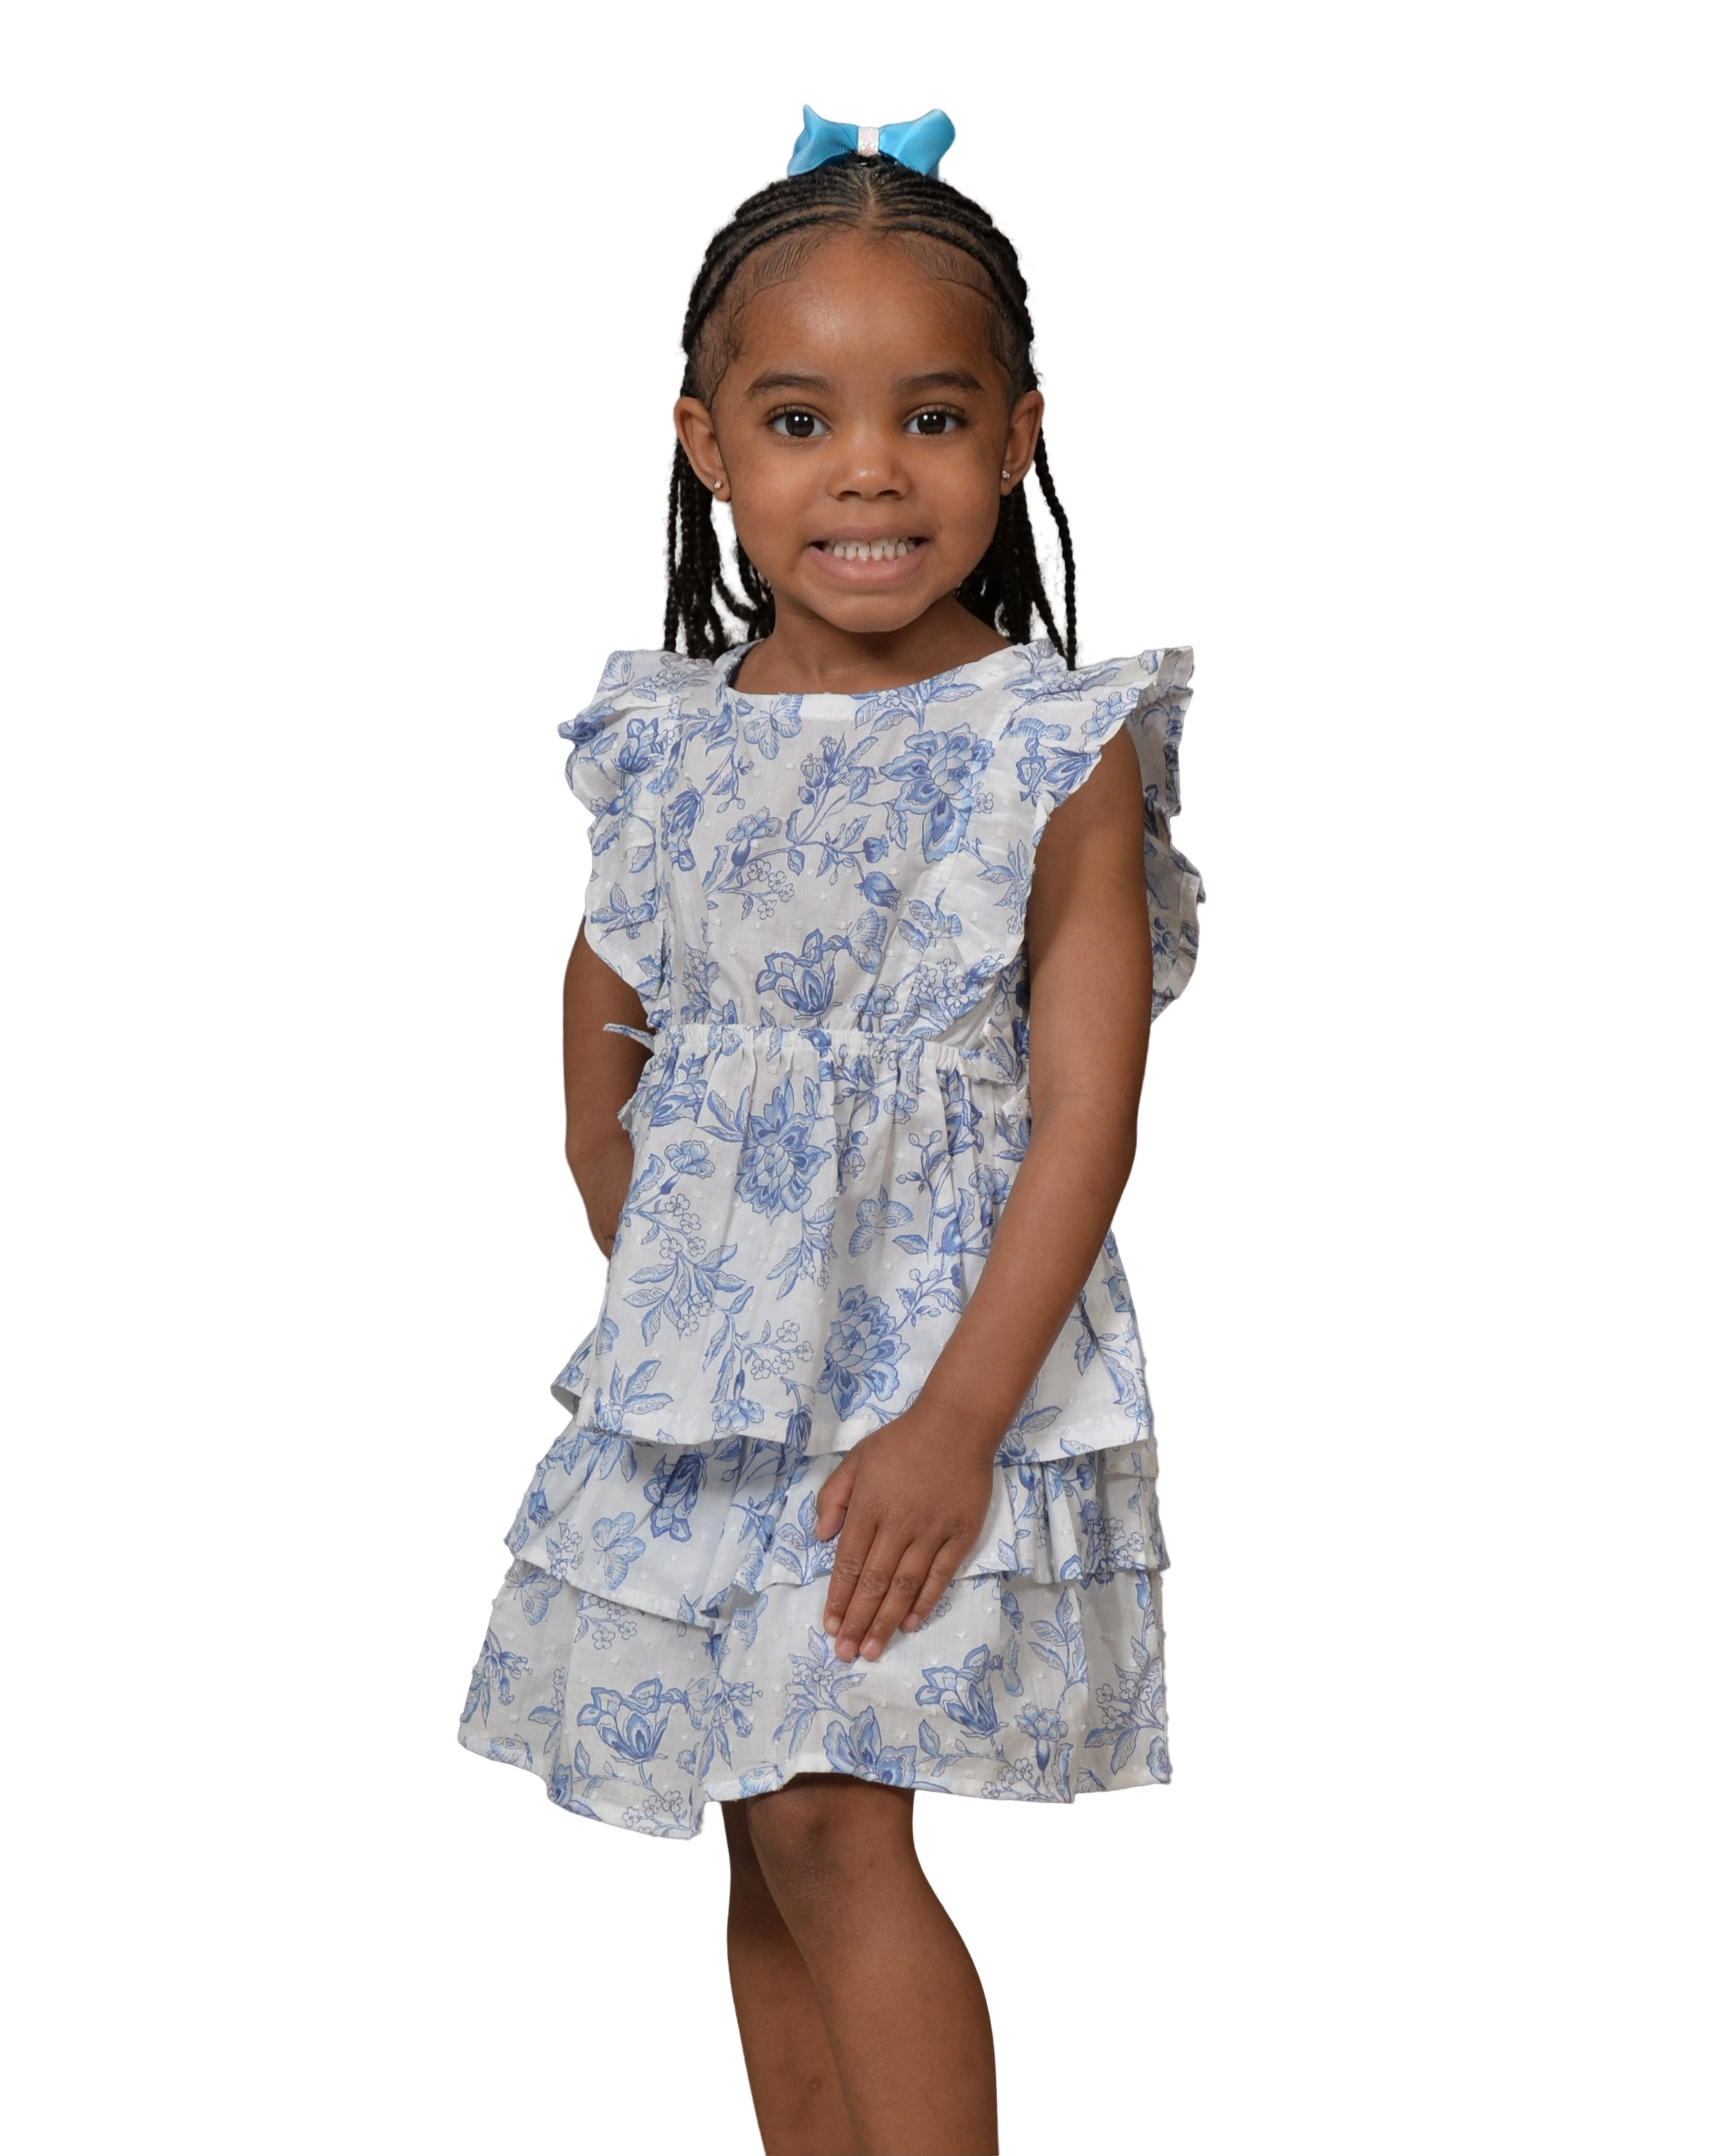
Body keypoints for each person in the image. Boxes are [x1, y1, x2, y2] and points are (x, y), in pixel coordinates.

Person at [456, 102, 1208, 2156]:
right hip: (712, 1377)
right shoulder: (669, 736)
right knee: (761, 1825)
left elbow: (1087, 1113)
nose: (868, 472)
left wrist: (959, 1416)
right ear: (708, 449)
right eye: (800, 421)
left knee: (828, 1816)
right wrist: (642, 1237)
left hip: (936, 1362)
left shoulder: (1043, 742)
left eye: (931, 418)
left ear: (1018, 443)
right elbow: (610, 999)